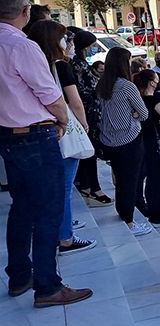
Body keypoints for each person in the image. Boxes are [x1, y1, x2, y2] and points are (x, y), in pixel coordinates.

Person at [0, 0, 93, 306]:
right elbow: (50, 95)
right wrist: (64, 120)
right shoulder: (20, 45)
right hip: (36, 135)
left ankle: (19, 276)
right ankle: (48, 285)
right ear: (25, 12)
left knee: (22, 207)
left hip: (8, 135)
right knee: (49, 209)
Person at [27, 22, 97, 257]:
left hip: (34, 132)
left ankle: (55, 231)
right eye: (65, 39)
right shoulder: (60, 67)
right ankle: (65, 237)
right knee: (64, 188)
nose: (69, 44)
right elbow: (74, 102)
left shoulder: (33, 64)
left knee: (45, 189)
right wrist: (83, 124)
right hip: (60, 130)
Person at [97, 47, 151, 236]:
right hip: (129, 139)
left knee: (120, 179)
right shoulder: (127, 86)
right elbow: (144, 114)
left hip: (109, 140)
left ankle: (122, 212)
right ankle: (129, 220)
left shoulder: (102, 83)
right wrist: (133, 114)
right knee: (130, 181)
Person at [69, 30, 113, 206]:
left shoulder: (80, 64)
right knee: (90, 152)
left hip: (88, 113)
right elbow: (82, 92)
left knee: (89, 152)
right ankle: (93, 189)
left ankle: (88, 187)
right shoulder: (78, 65)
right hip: (87, 115)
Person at [131, 69, 160, 227]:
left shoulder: (137, 98)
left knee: (150, 177)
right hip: (159, 143)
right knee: (158, 178)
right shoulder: (157, 98)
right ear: (152, 82)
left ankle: (151, 208)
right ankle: (157, 213)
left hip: (144, 141)